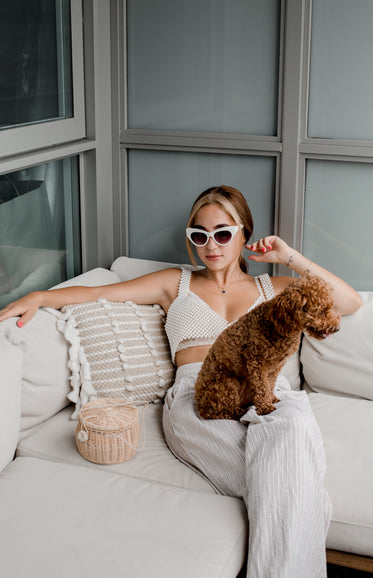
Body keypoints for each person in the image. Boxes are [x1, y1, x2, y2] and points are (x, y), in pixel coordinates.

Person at [0, 185, 361, 577]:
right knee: (294, 480)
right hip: (198, 396)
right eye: (199, 235)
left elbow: (348, 302)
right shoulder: (176, 283)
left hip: (267, 392)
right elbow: (101, 291)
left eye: (223, 233)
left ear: (244, 233)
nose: (211, 245)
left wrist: (288, 257)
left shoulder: (274, 289)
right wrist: (39, 295)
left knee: (291, 431)